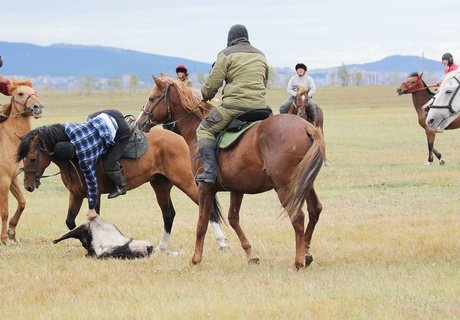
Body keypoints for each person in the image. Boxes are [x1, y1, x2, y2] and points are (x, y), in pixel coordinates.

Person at [195, 24, 269, 183]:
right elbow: (265, 81)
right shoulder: (260, 55)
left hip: (234, 108)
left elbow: (213, 84)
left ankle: (209, 171)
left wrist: (205, 95)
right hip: (261, 108)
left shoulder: (226, 54)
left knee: (204, 129)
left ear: (229, 39)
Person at [56, 109, 132, 219]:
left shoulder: (86, 158)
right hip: (108, 113)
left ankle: (121, 185)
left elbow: (92, 183)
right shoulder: (69, 129)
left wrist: (91, 208)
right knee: (89, 118)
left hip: (122, 129)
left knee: (108, 163)